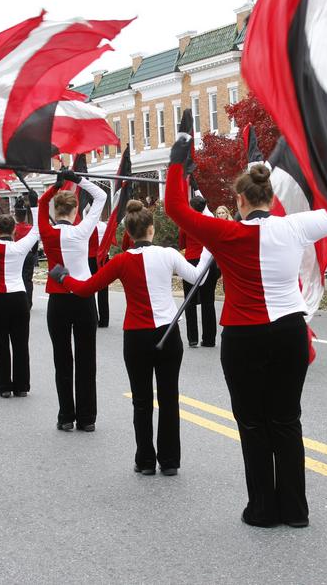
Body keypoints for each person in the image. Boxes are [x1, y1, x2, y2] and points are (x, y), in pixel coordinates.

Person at [165, 138, 327, 529]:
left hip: (244, 336)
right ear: (271, 197)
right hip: (289, 332)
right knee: (287, 420)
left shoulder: (225, 233)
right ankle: (295, 510)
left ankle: (262, 508)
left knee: (253, 423)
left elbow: (175, 208)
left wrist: (178, 162)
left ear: (240, 201)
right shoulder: (295, 226)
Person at [51, 200, 213, 476]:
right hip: (168, 332)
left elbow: (87, 288)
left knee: (141, 401)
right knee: (169, 397)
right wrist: (211, 245)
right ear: (152, 228)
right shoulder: (169, 254)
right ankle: (170, 461)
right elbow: (199, 277)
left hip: (136, 337)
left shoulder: (121, 260)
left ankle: (146, 461)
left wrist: (63, 277)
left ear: (129, 232)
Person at [38, 170, 107, 432]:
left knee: (62, 359)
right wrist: (78, 179)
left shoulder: (46, 230)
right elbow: (100, 195)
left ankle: (66, 416)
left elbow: (40, 205)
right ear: (76, 210)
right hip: (83, 297)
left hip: (58, 300)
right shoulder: (82, 230)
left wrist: (54, 188)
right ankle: (87, 419)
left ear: (56, 212)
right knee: (86, 359)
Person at [0, 183, 39, 398]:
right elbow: (37, 230)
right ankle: (21, 386)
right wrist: (36, 206)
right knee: (21, 344)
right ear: (13, 230)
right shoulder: (21, 247)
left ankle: (4, 387)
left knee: (0, 344)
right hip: (18, 298)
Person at [178, 195, 220, 348]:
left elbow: (182, 243)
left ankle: (192, 338)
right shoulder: (210, 222)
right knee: (208, 302)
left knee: (190, 301)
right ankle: (209, 339)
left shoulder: (186, 223)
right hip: (208, 262)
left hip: (191, 261)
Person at [13, 197, 39, 309]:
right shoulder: (31, 228)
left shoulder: (13, 228)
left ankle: (20, 301)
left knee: (18, 278)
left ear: (16, 215)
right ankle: (28, 302)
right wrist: (33, 254)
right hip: (29, 255)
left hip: (17, 255)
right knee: (27, 279)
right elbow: (35, 244)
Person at [88, 219, 111, 328]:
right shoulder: (104, 225)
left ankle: (93, 317)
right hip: (103, 258)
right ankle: (104, 320)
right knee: (103, 289)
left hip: (91, 258)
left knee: (90, 288)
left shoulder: (87, 225)